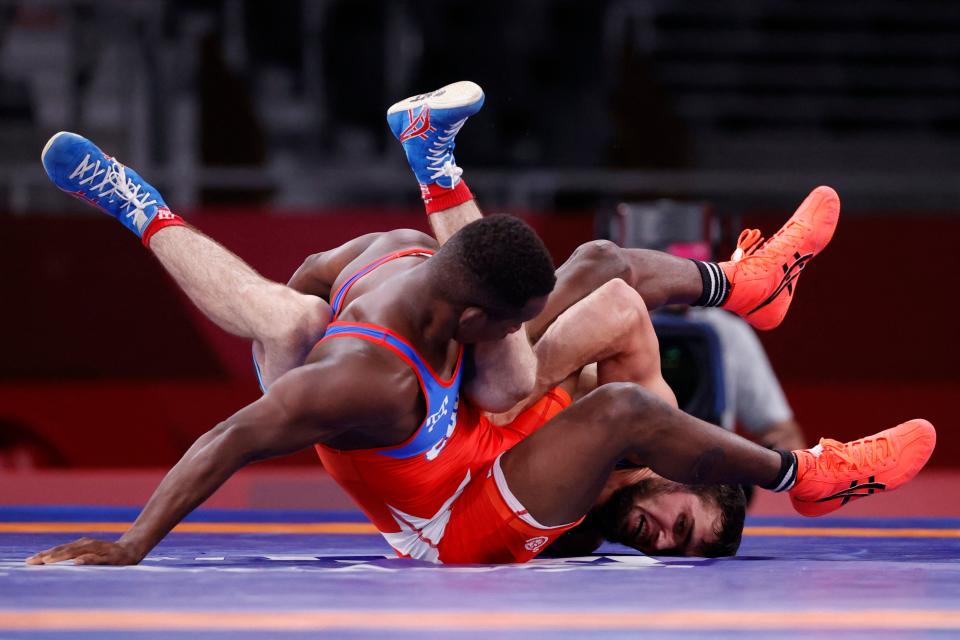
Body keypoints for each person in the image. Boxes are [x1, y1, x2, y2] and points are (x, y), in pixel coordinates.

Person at [27, 82, 936, 566]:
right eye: (688, 524)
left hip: (456, 415)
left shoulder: (393, 265)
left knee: (606, 286)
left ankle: (739, 283)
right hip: (448, 504)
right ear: (468, 320)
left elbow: (310, 280)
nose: (665, 538)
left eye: (679, 539)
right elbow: (235, 433)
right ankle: (806, 476)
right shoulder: (370, 380)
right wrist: (132, 542)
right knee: (302, 322)